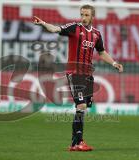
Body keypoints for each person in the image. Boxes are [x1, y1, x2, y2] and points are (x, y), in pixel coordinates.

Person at [33, 4, 123, 152]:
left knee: (82, 109)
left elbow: (101, 52)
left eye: (87, 15)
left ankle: (75, 143)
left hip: (87, 75)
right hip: (74, 73)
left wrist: (114, 63)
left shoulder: (96, 34)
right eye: (82, 14)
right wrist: (43, 24)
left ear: (93, 16)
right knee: (81, 106)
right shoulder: (75, 28)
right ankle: (79, 142)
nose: (84, 18)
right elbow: (56, 29)